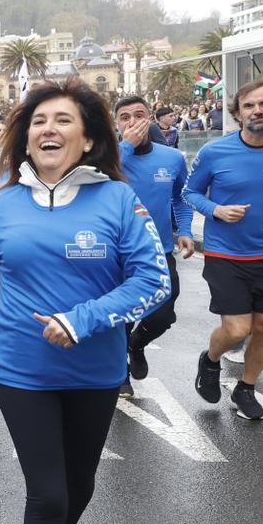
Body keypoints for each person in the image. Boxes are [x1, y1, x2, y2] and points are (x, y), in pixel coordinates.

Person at [0, 79, 170, 524]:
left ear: (90, 139)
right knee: (45, 495)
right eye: (39, 122)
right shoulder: (0, 206)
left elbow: (153, 279)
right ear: (26, 140)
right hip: (21, 371)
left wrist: (82, 320)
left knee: (79, 484)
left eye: (64, 120)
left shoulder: (117, 197)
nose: (49, 129)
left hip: (95, 370)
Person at [185, 81, 263, 420]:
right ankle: (210, 360)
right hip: (226, 253)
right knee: (237, 330)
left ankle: (246, 388)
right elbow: (190, 193)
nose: (258, 111)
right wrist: (215, 210)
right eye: (249, 105)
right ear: (237, 113)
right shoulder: (214, 152)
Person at [114, 96, 195, 398]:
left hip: (159, 250)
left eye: (139, 115)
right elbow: (88, 181)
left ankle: (137, 345)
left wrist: (184, 230)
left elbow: (181, 197)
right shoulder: (107, 157)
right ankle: (120, 372)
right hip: (116, 254)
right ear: (117, 124)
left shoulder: (171, 158)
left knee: (162, 315)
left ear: (150, 118)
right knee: (119, 317)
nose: (132, 122)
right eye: (124, 117)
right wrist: (125, 147)